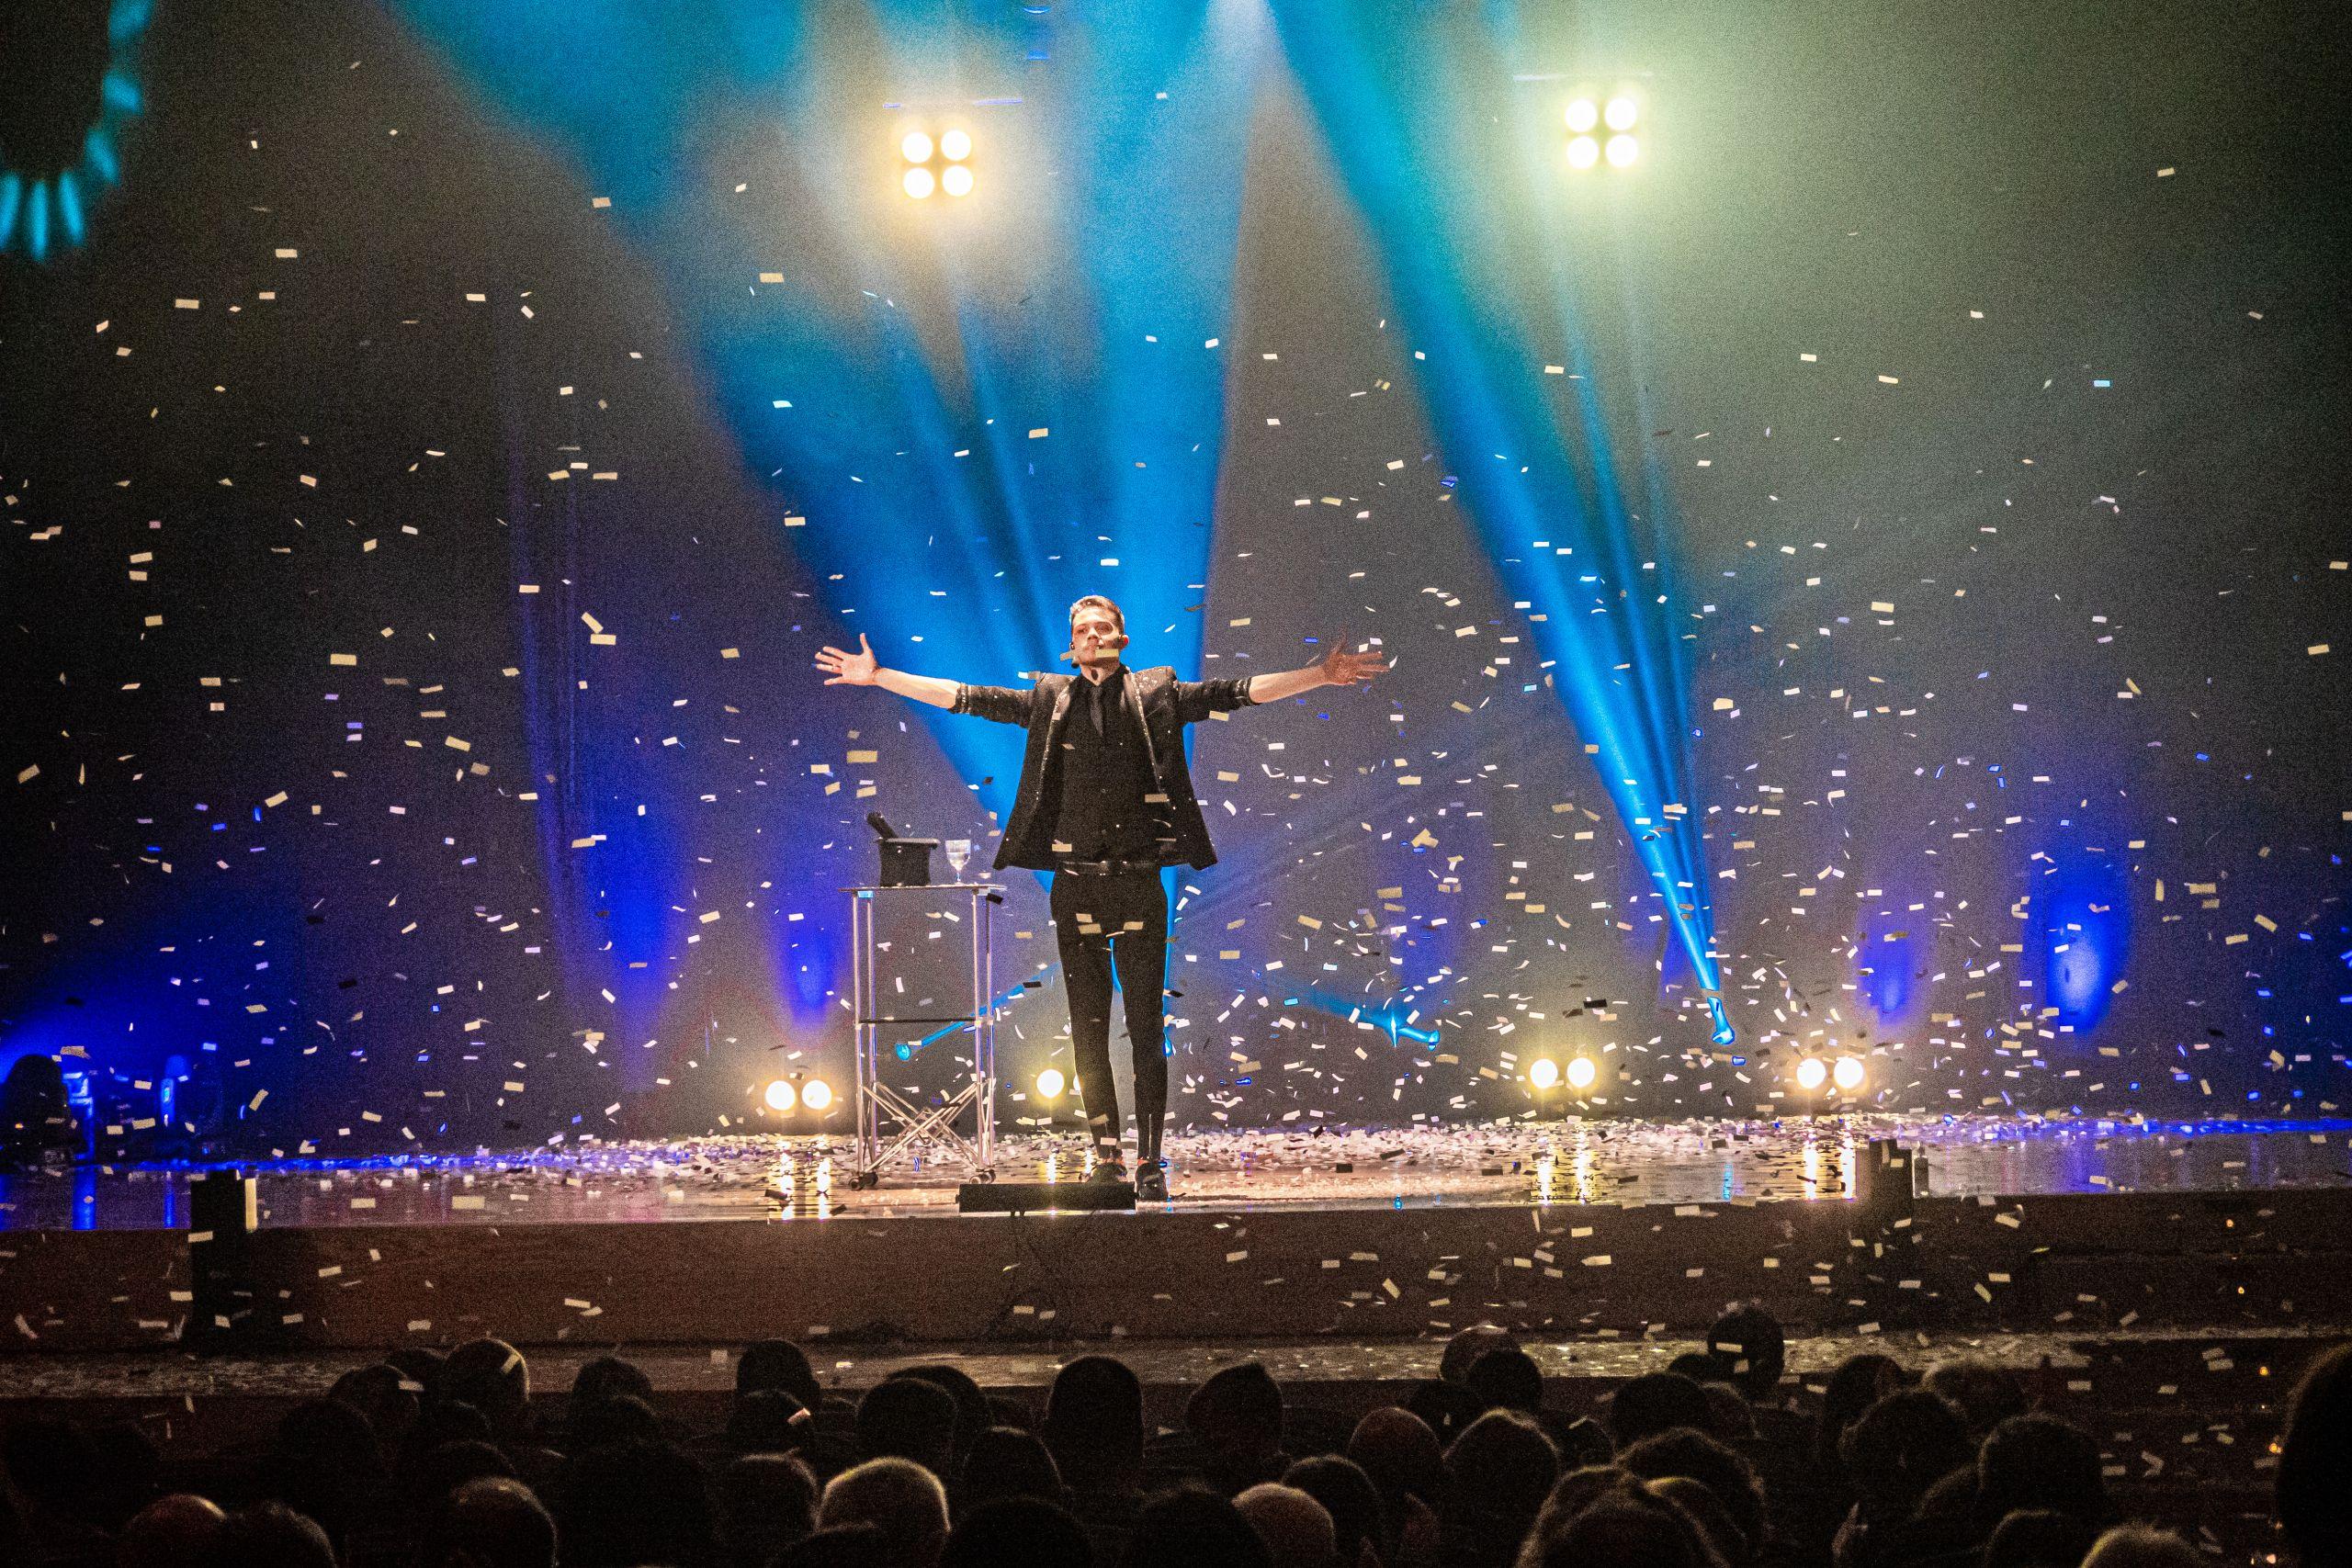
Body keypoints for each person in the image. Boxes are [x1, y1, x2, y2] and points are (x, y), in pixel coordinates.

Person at [817, 596, 1388, 1198]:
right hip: (1076, 883)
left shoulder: (1158, 691)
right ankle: (1107, 1155)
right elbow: (968, 697)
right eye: (1082, 629)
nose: (1092, 634)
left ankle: (1149, 1160)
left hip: (1139, 882)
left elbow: (1234, 692)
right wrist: (879, 676)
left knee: (1145, 1025)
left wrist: (1319, 675)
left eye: (1102, 626)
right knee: (1088, 1027)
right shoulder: (1048, 699)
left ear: (1123, 636)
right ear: (1071, 646)